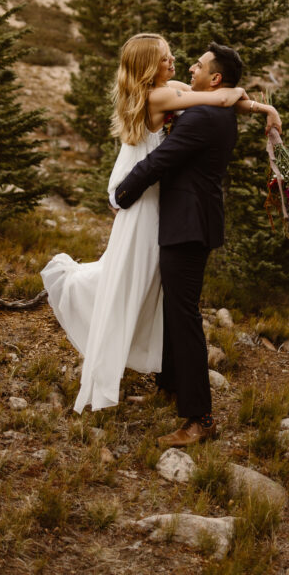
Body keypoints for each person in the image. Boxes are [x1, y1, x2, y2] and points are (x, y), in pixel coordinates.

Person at [41, 33, 279, 414]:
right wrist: (261, 108)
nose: (178, 63)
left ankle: (167, 379)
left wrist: (258, 108)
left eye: (180, 59)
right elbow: (218, 98)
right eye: (168, 58)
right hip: (140, 195)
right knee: (129, 283)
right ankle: (122, 372)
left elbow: (221, 96)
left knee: (153, 289)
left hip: (152, 199)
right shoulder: (160, 96)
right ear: (151, 67)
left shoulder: (167, 90)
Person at [113, 41, 274, 447]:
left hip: (187, 227)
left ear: (214, 78)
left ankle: (199, 419)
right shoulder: (209, 107)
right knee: (175, 307)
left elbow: (159, 162)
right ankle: (170, 385)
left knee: (184, 316)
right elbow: (218, 98)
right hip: (189, 223)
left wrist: (121, 194)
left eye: (199, 65)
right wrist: (256, 105)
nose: (191, 68)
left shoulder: (203, 117)